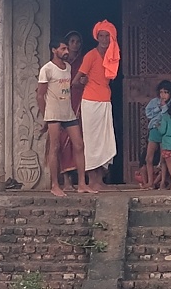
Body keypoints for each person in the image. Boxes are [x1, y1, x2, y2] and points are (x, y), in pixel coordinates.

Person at [75, 20, 119, 192]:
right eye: (101, 35)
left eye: (107, 36)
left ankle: (99, 181)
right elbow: (76, 81)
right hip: (91, 102)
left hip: (105, 101)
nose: (104, 39)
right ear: (96, 37)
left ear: (111, 37)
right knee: (93, 143)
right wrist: (84, 82)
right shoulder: (91, 55)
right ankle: (92, 181)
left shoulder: (112, 55)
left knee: (104, 142)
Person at [35, 36, 80, 195]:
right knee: (55, 146)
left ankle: (82, 184)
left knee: (79, 144)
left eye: (66, 48)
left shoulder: (67, 67)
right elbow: (40, 95)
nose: (66, 51)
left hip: (68, 111)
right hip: (53, 113)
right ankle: (55, 185)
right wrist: (46, 117)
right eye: (63, 49)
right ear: (54, 50)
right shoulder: (46, 69)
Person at [138, 80, 171, 188]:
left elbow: (170, 116)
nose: (163, 95)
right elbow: (148, 113)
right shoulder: (154, 102)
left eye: (166, 92)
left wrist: (164, 107)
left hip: (165, 132)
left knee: (163, 158)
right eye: (161, 92)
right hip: (154, 130)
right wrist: (158, 107)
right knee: (149, 158)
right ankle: (150, 182)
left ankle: (162, 182)